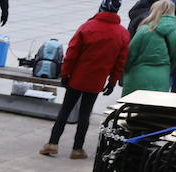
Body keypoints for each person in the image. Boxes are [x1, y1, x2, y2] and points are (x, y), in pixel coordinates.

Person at [40, 0, 129, 160]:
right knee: (85, 114)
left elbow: (72, 53)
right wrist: (112, 81)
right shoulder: (122, 33)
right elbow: (119, 62)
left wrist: (65, 74)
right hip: (97, 81)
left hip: (77, 78)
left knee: (65, 110)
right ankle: (77, 149)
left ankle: (52, 144)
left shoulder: (87, 27)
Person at [121, 0, 176, 94]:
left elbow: (130, 54)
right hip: (162, 77)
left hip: (138, 75)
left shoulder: (144, 30)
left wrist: (126, 70)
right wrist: (166, 67)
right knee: (153, 107)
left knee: (132, 106)